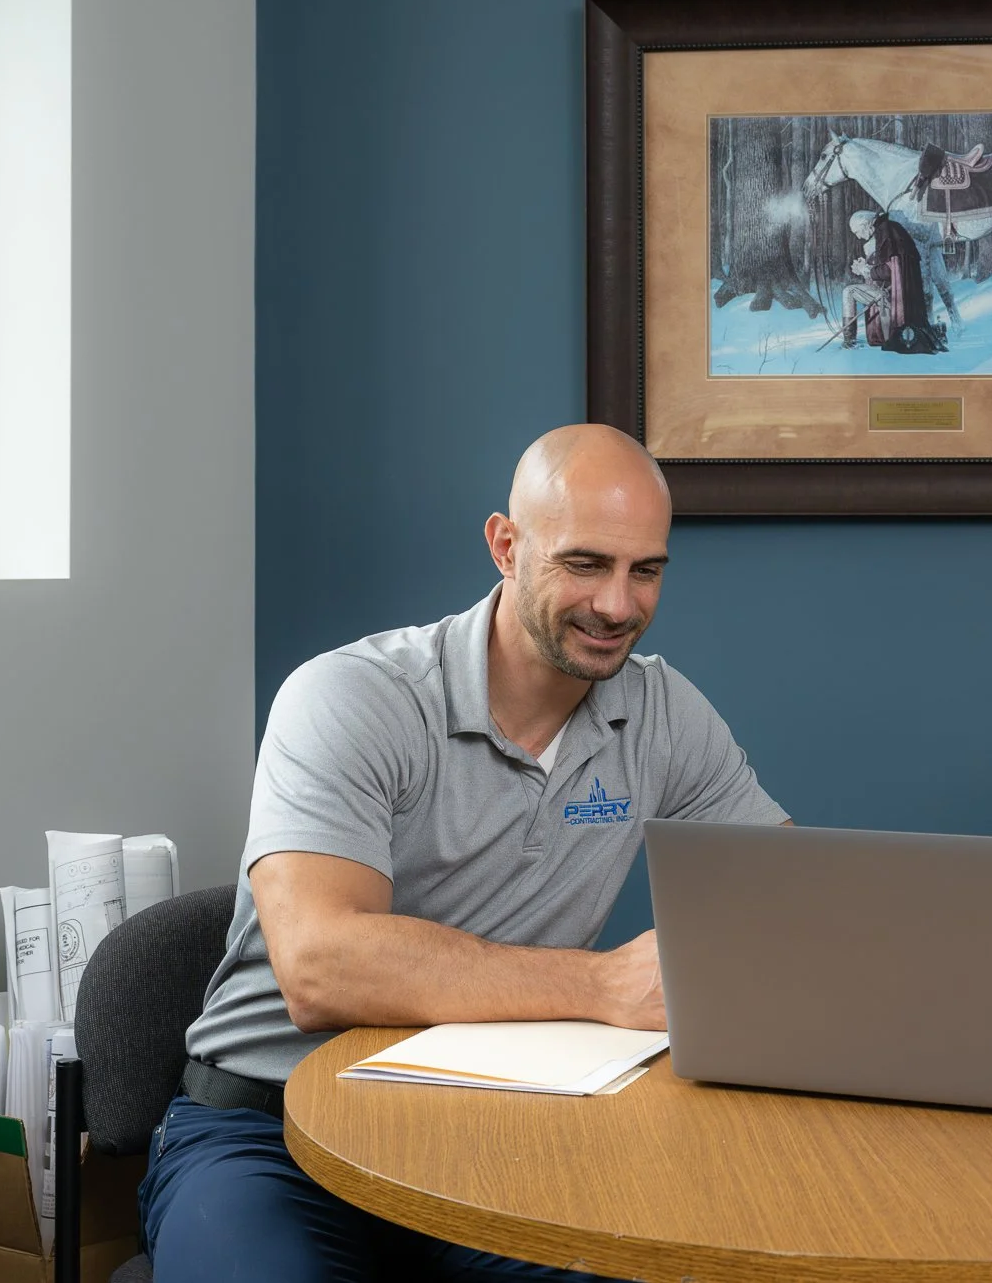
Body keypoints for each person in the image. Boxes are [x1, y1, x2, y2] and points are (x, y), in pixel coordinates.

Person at [139, 425, 790, 1281]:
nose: (618, 605)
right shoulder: (351, 697)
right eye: (586, 563)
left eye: (647, 570)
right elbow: (321, 968)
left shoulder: (663, 713)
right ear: (506, 546)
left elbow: (784, 904)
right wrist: (600, 986)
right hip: (267, 1130)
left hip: (498, 1131)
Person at [840, 209, 944, 354]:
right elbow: (891, 266)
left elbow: (890, 270)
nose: (859, 236)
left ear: (865, 224)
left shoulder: (886, 232)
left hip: (892, 297)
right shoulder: (888, 229)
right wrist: (867, 266)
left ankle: (849, 341)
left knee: (848, 291)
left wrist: (866, 270)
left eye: (857, 231)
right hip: (897, 295)